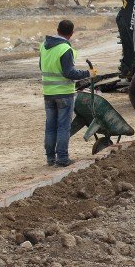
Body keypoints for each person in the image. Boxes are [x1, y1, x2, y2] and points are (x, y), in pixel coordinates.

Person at [39, 20, 95, 167]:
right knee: (63, 127)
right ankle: (62, 159)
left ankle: (50, 158)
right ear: (71, 34)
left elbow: (41, 66)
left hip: (48, 93)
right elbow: (69, 73)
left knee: (50, 126)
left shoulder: (44, 46)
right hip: (64, 94)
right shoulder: (65, 49)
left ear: (57, 30)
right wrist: (88, 73)